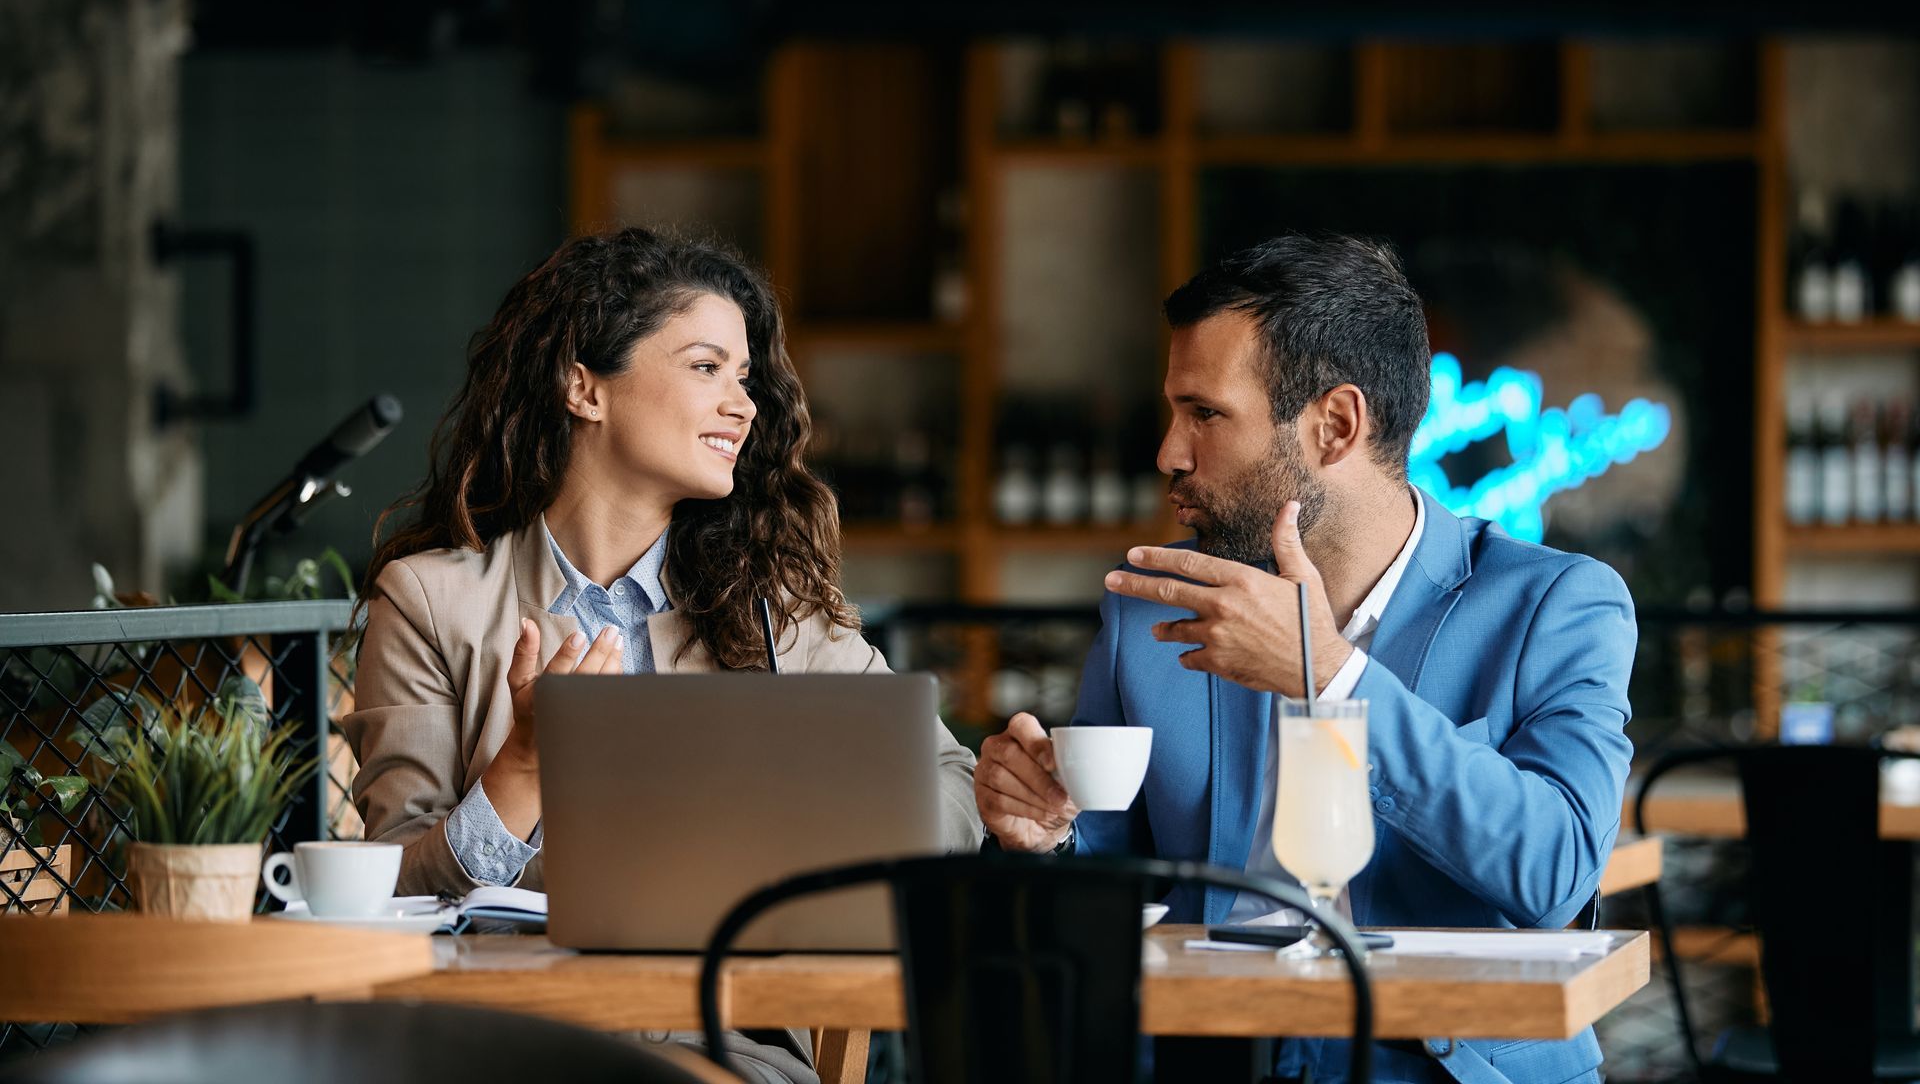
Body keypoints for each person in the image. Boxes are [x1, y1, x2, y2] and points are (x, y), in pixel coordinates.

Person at [973, 235, 1635, 1084]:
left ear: (1336, 426)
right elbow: (1104, 878)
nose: (1170, 452)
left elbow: (1554, 872)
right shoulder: (1154, 609)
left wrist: (1331, 672)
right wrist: (1046, 836)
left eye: (1205, 414)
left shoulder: (1556, 605)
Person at [344, 228, 981, 1084]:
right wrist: (521, 767)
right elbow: (392, 889)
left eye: (744, 377)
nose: (742, 405)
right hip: (508, 1038)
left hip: (728, 1042)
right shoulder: (429, 600)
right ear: (584, 387)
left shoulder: (770, 606)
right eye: (706, 367)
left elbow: (949, 776)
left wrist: (821, 850)